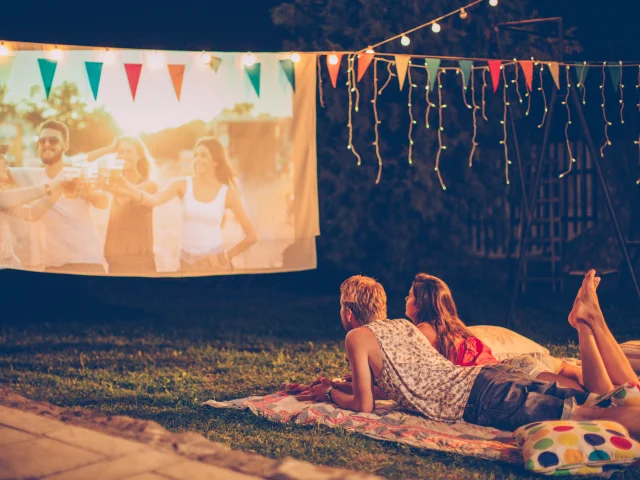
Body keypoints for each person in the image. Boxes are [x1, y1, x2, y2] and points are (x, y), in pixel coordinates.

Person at [296, 271, 640, 439]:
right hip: (488, 380)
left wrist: (329, 393)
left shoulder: (357, 336)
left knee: (585, 416)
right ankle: (590, 324)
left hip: (481, 397)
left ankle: (589, 324)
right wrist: (339, 386)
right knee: (596, 401)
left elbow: (364, 405)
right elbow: (400, 385)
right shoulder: (402, 326)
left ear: (348, 312)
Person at [406, 273, 586, 391]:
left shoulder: (423, 331)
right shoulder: (455, 326)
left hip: (507, 374)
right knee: (590, 387)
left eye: (410, 295)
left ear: (420, 303)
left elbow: (407, 370)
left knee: (578, 397)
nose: (406, 299)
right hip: (515, 365)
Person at [110, 137, 257, 273]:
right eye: (196, 155)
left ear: (216, 161)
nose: (197, 160)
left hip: (215, 265)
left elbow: (251, 236)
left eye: (203, 155)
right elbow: (153, 200)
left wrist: (224, 257)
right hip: (186, 263)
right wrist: (126, 188)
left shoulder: (227, 193)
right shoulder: (182, 184)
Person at [8, 120, 109, 274]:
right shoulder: (29, 175)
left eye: (53, 140)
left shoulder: (78, 173)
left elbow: (103, 202)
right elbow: (3, 171)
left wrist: (89, 194)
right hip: (53, 265)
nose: (46, 144)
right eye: (42, 140)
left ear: (65, 145)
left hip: (86, 261)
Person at [0, 153, 76, 268]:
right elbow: (4, 199)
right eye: (1, 159)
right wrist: (53, 184)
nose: (6, 164)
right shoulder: (4, 199)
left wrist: (59, 189)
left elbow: (32, 213)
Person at [99, 135, 158, 275]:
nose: (124, 156)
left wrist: (116, 181)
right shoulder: (113, 184)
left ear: (139, 156)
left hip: (140, 264)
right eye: (121, 152)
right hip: (115, 262)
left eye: (129, 151)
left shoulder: (150, 185)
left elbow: (128, 195)